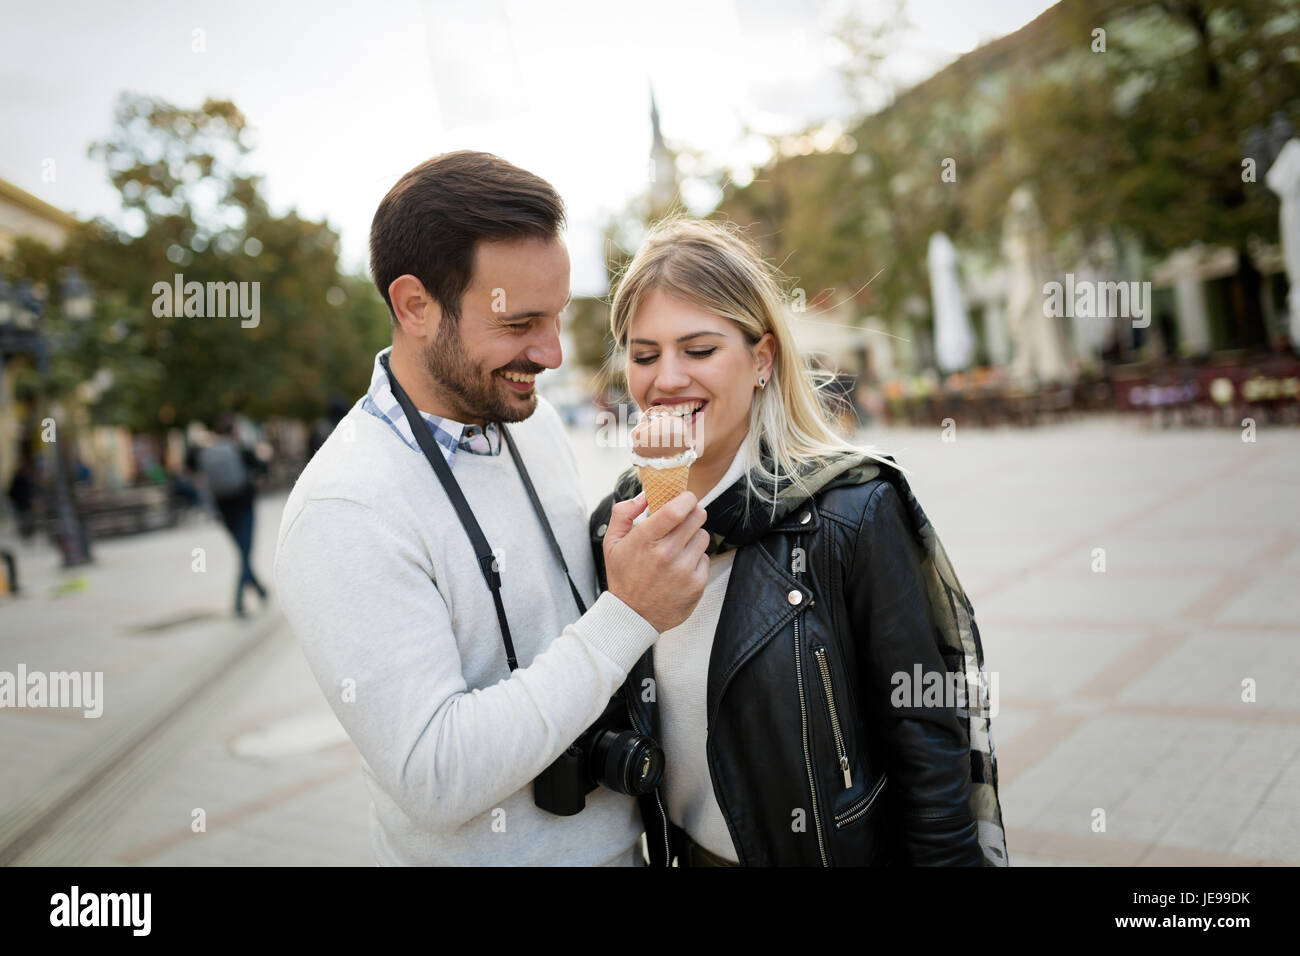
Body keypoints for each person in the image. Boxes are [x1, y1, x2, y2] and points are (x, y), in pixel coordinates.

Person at [273, 151, 710, 866]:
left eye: (560, 317)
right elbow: (434, 776)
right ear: (415, 306)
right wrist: (628, 612)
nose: (553, 352)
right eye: (521, 324)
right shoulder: (344, 507)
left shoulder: (527, 421)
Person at [589, 218, 1008, 866]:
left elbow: (929, 753)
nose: (666, 378)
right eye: (645, 355)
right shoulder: (616, 526)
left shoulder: (855, 513)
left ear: (761, 360)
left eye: (698, 350)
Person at [190, 414, 269, 617]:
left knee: (243, 552)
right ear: (233, 430)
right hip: (244, 506)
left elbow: (190, 466)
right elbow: (262, 468)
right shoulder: (238, 449)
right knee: (245, 553)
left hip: (223, 510)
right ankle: (238, 603)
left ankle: (260, 590)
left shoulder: (207, 452)